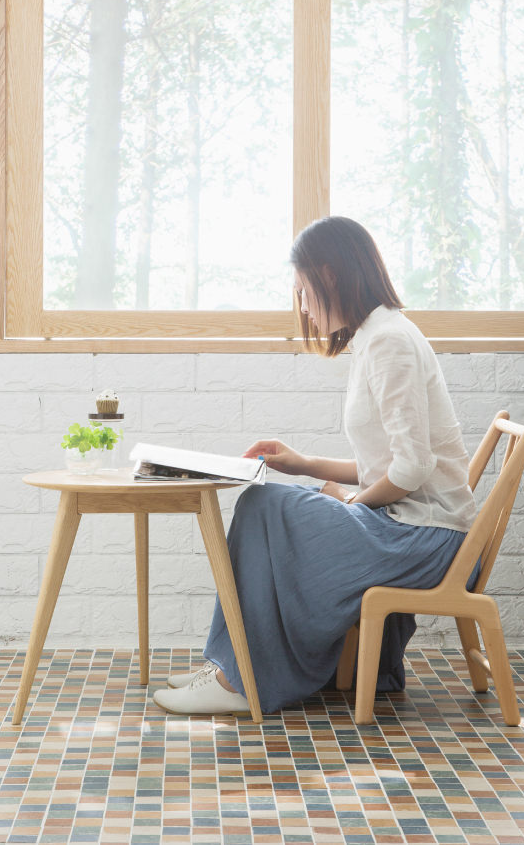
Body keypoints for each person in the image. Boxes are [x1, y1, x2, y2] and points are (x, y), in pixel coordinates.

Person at [152, 216, 477, 716]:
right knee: (275, 502)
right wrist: (303, 464)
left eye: (302, 291)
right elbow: (386, 464)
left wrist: (351, 504)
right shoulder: (377, 337)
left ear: (328, 275)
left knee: (264, 506)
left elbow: (411, 469)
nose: (301, 305)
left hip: (429, 538)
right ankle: (234, 664)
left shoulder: (390, 341)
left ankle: (240, 678)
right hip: (412, 525)